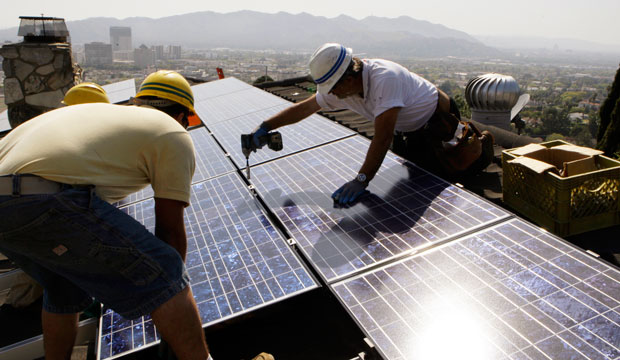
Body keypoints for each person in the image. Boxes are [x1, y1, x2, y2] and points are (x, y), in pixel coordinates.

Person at [0, 70, 208, 360]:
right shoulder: (171, 131)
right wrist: (167, 293)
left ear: (139, 102)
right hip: (45, 197)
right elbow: (170, 232)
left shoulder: (94, 115)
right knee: (167, 269)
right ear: (184, 115)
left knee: (64, 286)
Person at [249, 43, 492, 205]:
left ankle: (481, 153)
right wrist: (266, 126)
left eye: (334, 88)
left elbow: (382, 137)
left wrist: (362, 180)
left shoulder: (384, 79)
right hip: (410, 129)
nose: (331, 94)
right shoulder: (342, 88)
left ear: (350, 78)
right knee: (412, 181)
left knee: (442, 183)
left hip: (438, 123)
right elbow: (305, 107)